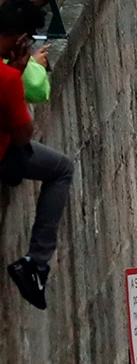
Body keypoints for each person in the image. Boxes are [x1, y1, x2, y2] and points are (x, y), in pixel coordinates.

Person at [0, 0, 74, 309]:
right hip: (3, 152)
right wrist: (17, 74)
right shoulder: (6, 79)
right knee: (62, 168)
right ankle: (36, 262)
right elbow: (23, 134)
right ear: (20, 39)